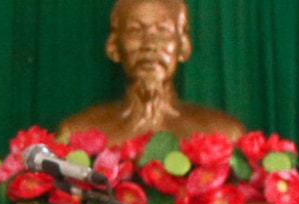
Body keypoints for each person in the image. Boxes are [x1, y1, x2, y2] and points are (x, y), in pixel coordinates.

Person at [57, 0, 244, 142]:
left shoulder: (224, 135)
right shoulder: (77, 133)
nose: (150, 45)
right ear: (114, 47)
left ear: (184, 46)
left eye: (163, 31)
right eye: (136, 31)